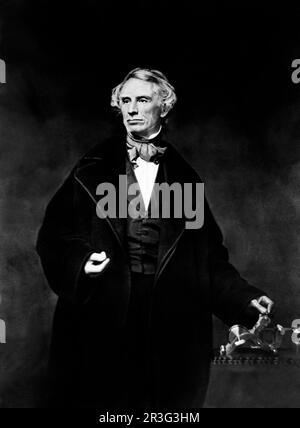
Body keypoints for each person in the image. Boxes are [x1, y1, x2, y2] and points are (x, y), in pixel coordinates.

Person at [36, 68, 274, 409]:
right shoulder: (92, 168)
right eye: (126, 101)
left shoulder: (185, 178)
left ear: (163, 107)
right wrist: (81, 263)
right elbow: (55, 234)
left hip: (170, 320)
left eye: (142, 100)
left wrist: (243, 298)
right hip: (103, 314)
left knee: (163, 406)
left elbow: (207, 258)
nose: (131, 109)